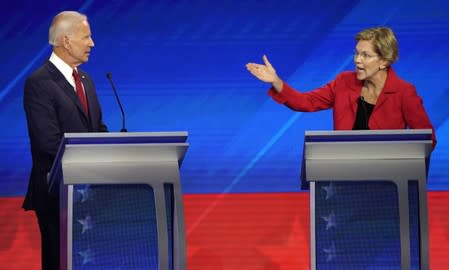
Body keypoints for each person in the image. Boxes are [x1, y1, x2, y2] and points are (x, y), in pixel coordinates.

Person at [246, 26, 436, 148]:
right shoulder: (344, 82)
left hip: (388, 183)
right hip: (344, 176)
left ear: (384, 61)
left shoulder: (403, 92)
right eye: (356, 53)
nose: (357, 60)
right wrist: (276, 81)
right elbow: (306, 102)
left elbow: (427, 140)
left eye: (365, 55)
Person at [23, 11, 108, 270]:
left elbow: (98, 129)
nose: (92, 43)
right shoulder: (39, 83)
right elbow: (47, 143)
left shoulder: (86, 81)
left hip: (91, 193)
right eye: (86, 37)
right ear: (66, 41)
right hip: (56, 193)